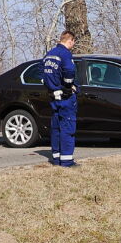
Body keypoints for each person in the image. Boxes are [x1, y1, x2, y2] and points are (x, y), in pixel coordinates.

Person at [42, 30, 79, 167]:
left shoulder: (49, 54)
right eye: (73, 43)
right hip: (65, 97)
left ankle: (56, 158)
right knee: (68, 128)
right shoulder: (65, 54)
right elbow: (69, 70)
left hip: (53, 97)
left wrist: (50, 85)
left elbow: (42, 72)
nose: (73, 46)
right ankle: (67, 161)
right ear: (70, 40)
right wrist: (69, 85)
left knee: (56, 128)